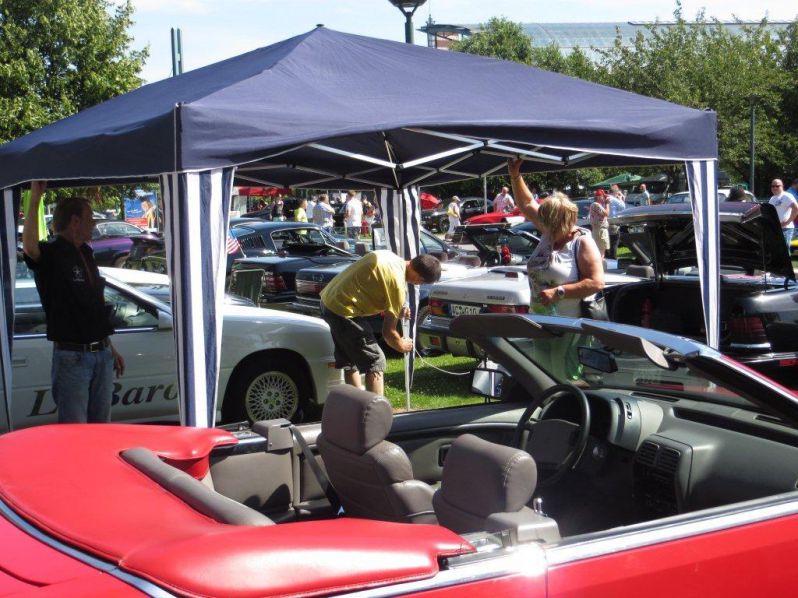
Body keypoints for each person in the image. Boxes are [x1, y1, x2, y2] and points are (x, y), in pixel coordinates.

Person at [22, 181, 125, 423]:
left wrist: (108, 346)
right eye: (90, 218)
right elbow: (30, 248)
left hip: (100, 353)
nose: (94, 224)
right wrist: (35, 198)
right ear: (75, 222)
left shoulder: (86, 252)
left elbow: (90, 306)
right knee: (75, 430)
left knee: (101, 427)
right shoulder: (53, 251)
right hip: (73, 357)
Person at [508, 159, 604, 380]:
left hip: (568, 325)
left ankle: (573, 402)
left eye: (548, 222)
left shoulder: (582, 242)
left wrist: (559, 292)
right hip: (540, 322)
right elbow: (526, 203)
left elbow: (597, 282)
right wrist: (515, 175)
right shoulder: (550, 232)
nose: (544, 226)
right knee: (543, 376)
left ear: (563, 220)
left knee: (564, 376)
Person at [320, 251, 441, 395]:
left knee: (350, 360)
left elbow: (373, 285)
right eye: (421, 282)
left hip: (329, 300)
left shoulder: (388, 256)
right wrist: (402, 345)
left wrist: (397, 308)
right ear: (419, 277)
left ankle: (356, 402)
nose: (418, 284)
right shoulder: (397, 286)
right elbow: (388, 333)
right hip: (343, 310)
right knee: (376, 361)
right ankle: (376, 407)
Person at [768, 179, 798, 252]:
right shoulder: (772, 198)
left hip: (786, 229)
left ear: (782, 186)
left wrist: (787, 222)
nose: (775, 188)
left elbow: (796, 209)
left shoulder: (786, 196)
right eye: (773, 186)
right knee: (776, 251)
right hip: (775, 228)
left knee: (784, 251)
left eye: (777, 186)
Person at [589, 189, 610, 259]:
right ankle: (600, 264)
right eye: (603, 196)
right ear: (598, 197)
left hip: (599, 229)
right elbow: (607, 213)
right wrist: (607, 203)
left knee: (600, 251)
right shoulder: (596, 204)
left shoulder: (597, 205)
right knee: (601, 251)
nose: (604, 198)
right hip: (600, 230)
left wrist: (605, 202)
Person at [607, 187, 626, 259]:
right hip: (613, 223)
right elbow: (623, 207)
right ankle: (613, 258)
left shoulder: (606, 198)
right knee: (614, 242)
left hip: (606, 223)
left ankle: (608, 258)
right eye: (617, 193)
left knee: (608, 242)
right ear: (615, 193)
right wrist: (621, 198)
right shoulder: (613, 199)